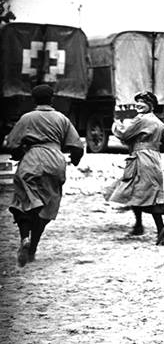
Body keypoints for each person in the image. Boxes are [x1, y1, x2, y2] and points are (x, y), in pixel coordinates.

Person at [5, 84, 84, 266]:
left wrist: (19, 153)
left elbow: (11, 144)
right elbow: (77, 146)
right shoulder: (61, 118)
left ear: (34, 100)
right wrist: (75, 159)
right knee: (47, 205)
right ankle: (33, 248)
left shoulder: (27, 118)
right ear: (52, 99)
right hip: (55, 160)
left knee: (23, 201)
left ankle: (25, 238)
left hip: (32, 159)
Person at [105, 91, 164, 246]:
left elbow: (124, 135)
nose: (138, 105)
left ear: (151, 105)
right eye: (137, 102)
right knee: (146, 192)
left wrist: (115, 126)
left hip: (139, 159)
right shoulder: (159, 123)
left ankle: (159, 228)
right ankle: (139, 226)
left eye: (142, 102)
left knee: (136, 190)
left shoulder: (140, 119)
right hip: (154, 160)